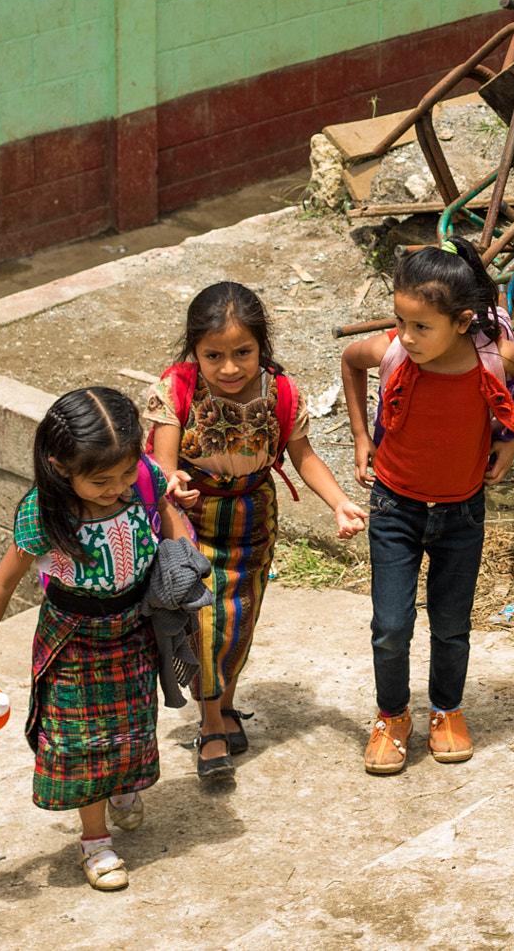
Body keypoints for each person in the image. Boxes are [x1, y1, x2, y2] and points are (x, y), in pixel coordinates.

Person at [0, 387, 198, 891]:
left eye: (125, 474)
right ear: (60, 468)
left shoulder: (146, 479)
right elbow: (1, 585)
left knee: (133, 725)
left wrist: (179, 565)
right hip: (73, 641)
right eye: (100, 480)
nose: (117, 488)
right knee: (82, 743)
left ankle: (122, 788)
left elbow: (168, 515)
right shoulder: (43, 515)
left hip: (134, 629)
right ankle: (95, 842)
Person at [144, 281, 366, 778]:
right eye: (213, 354)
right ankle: (212, 727)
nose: (229, 367)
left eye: (242, 352)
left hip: (252, 524)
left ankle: (222, 707)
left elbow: (303, 457)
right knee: (202, 624)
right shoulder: (175, 389)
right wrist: (172, 481)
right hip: (189, 521)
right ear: (193, 350)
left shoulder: (282, 393)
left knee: (237, 622)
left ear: (261, 347)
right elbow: (161, 466)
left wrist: (340, 503)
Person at [340, 239, 514, 775]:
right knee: (390, 624)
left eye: (421, 326)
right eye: (400, 321)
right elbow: (349, 360)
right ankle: (392, 715)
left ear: (461, 321)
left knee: (451, 625)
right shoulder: (392, 353)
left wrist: (511, 440)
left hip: (461, 512)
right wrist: (362, 436)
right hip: (394, 509)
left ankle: (447, 710)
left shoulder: (493, 359)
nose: (406, 337)